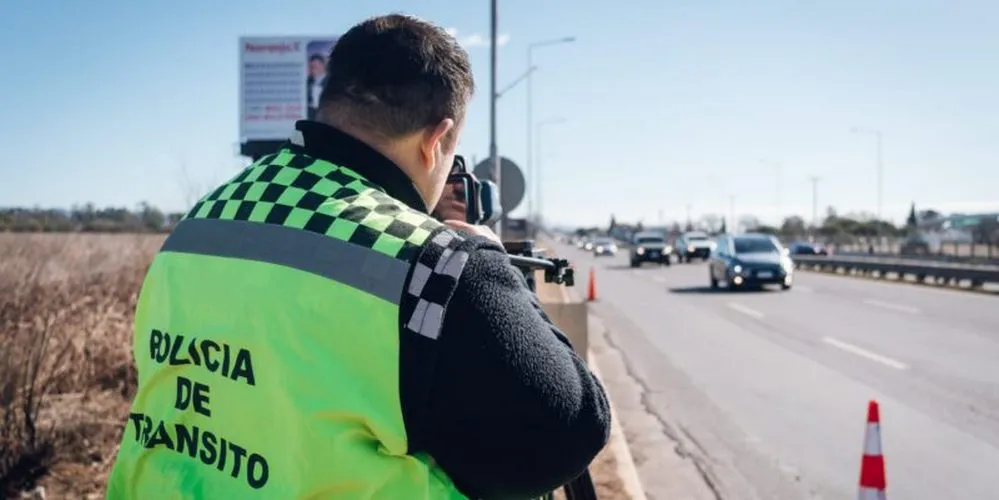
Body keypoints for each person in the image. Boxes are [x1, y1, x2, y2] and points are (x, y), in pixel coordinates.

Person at [106, 13, 610, 500]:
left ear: (330, 102)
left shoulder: (203, 219)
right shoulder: (436, 263)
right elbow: (569, 433)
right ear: (436, 142)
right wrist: (487, 259)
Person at [306, 53, 327, 120]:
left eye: (315, 66)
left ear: (323, 65)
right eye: (311, 66)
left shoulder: (331, 81)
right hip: (310, 117)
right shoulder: (307, 81)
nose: (313, 69)